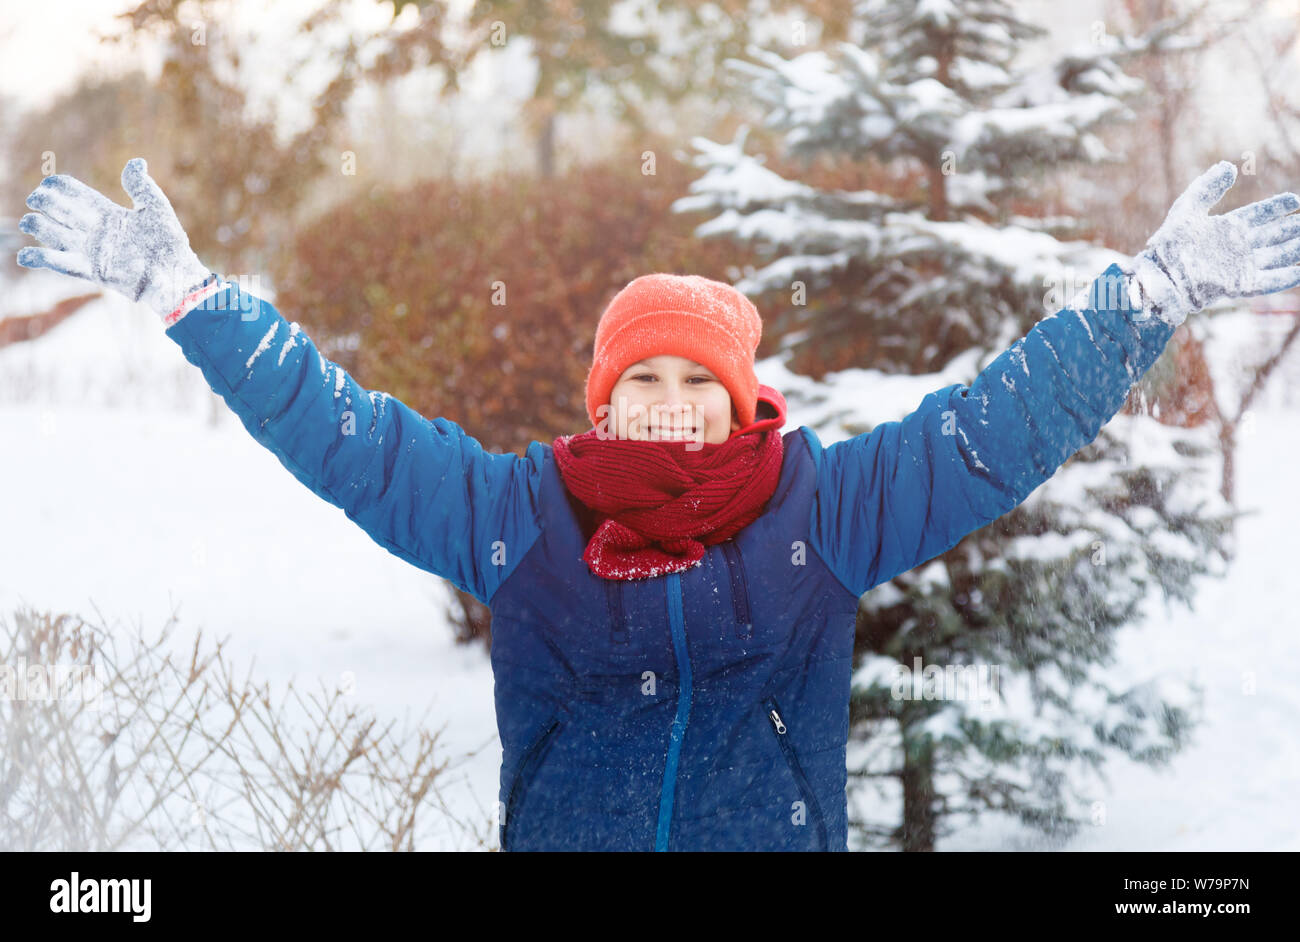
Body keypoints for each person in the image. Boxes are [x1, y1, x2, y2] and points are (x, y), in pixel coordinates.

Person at [16, 157, 1300, 851]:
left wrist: (1147, 299)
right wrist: (195, 303)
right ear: (605, 398)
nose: (673, 402)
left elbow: (991, 433)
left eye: (699, 380)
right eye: (646, 380)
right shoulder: (519, 517)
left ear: (741, 397)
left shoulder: (822, 512)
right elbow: (346, 435)